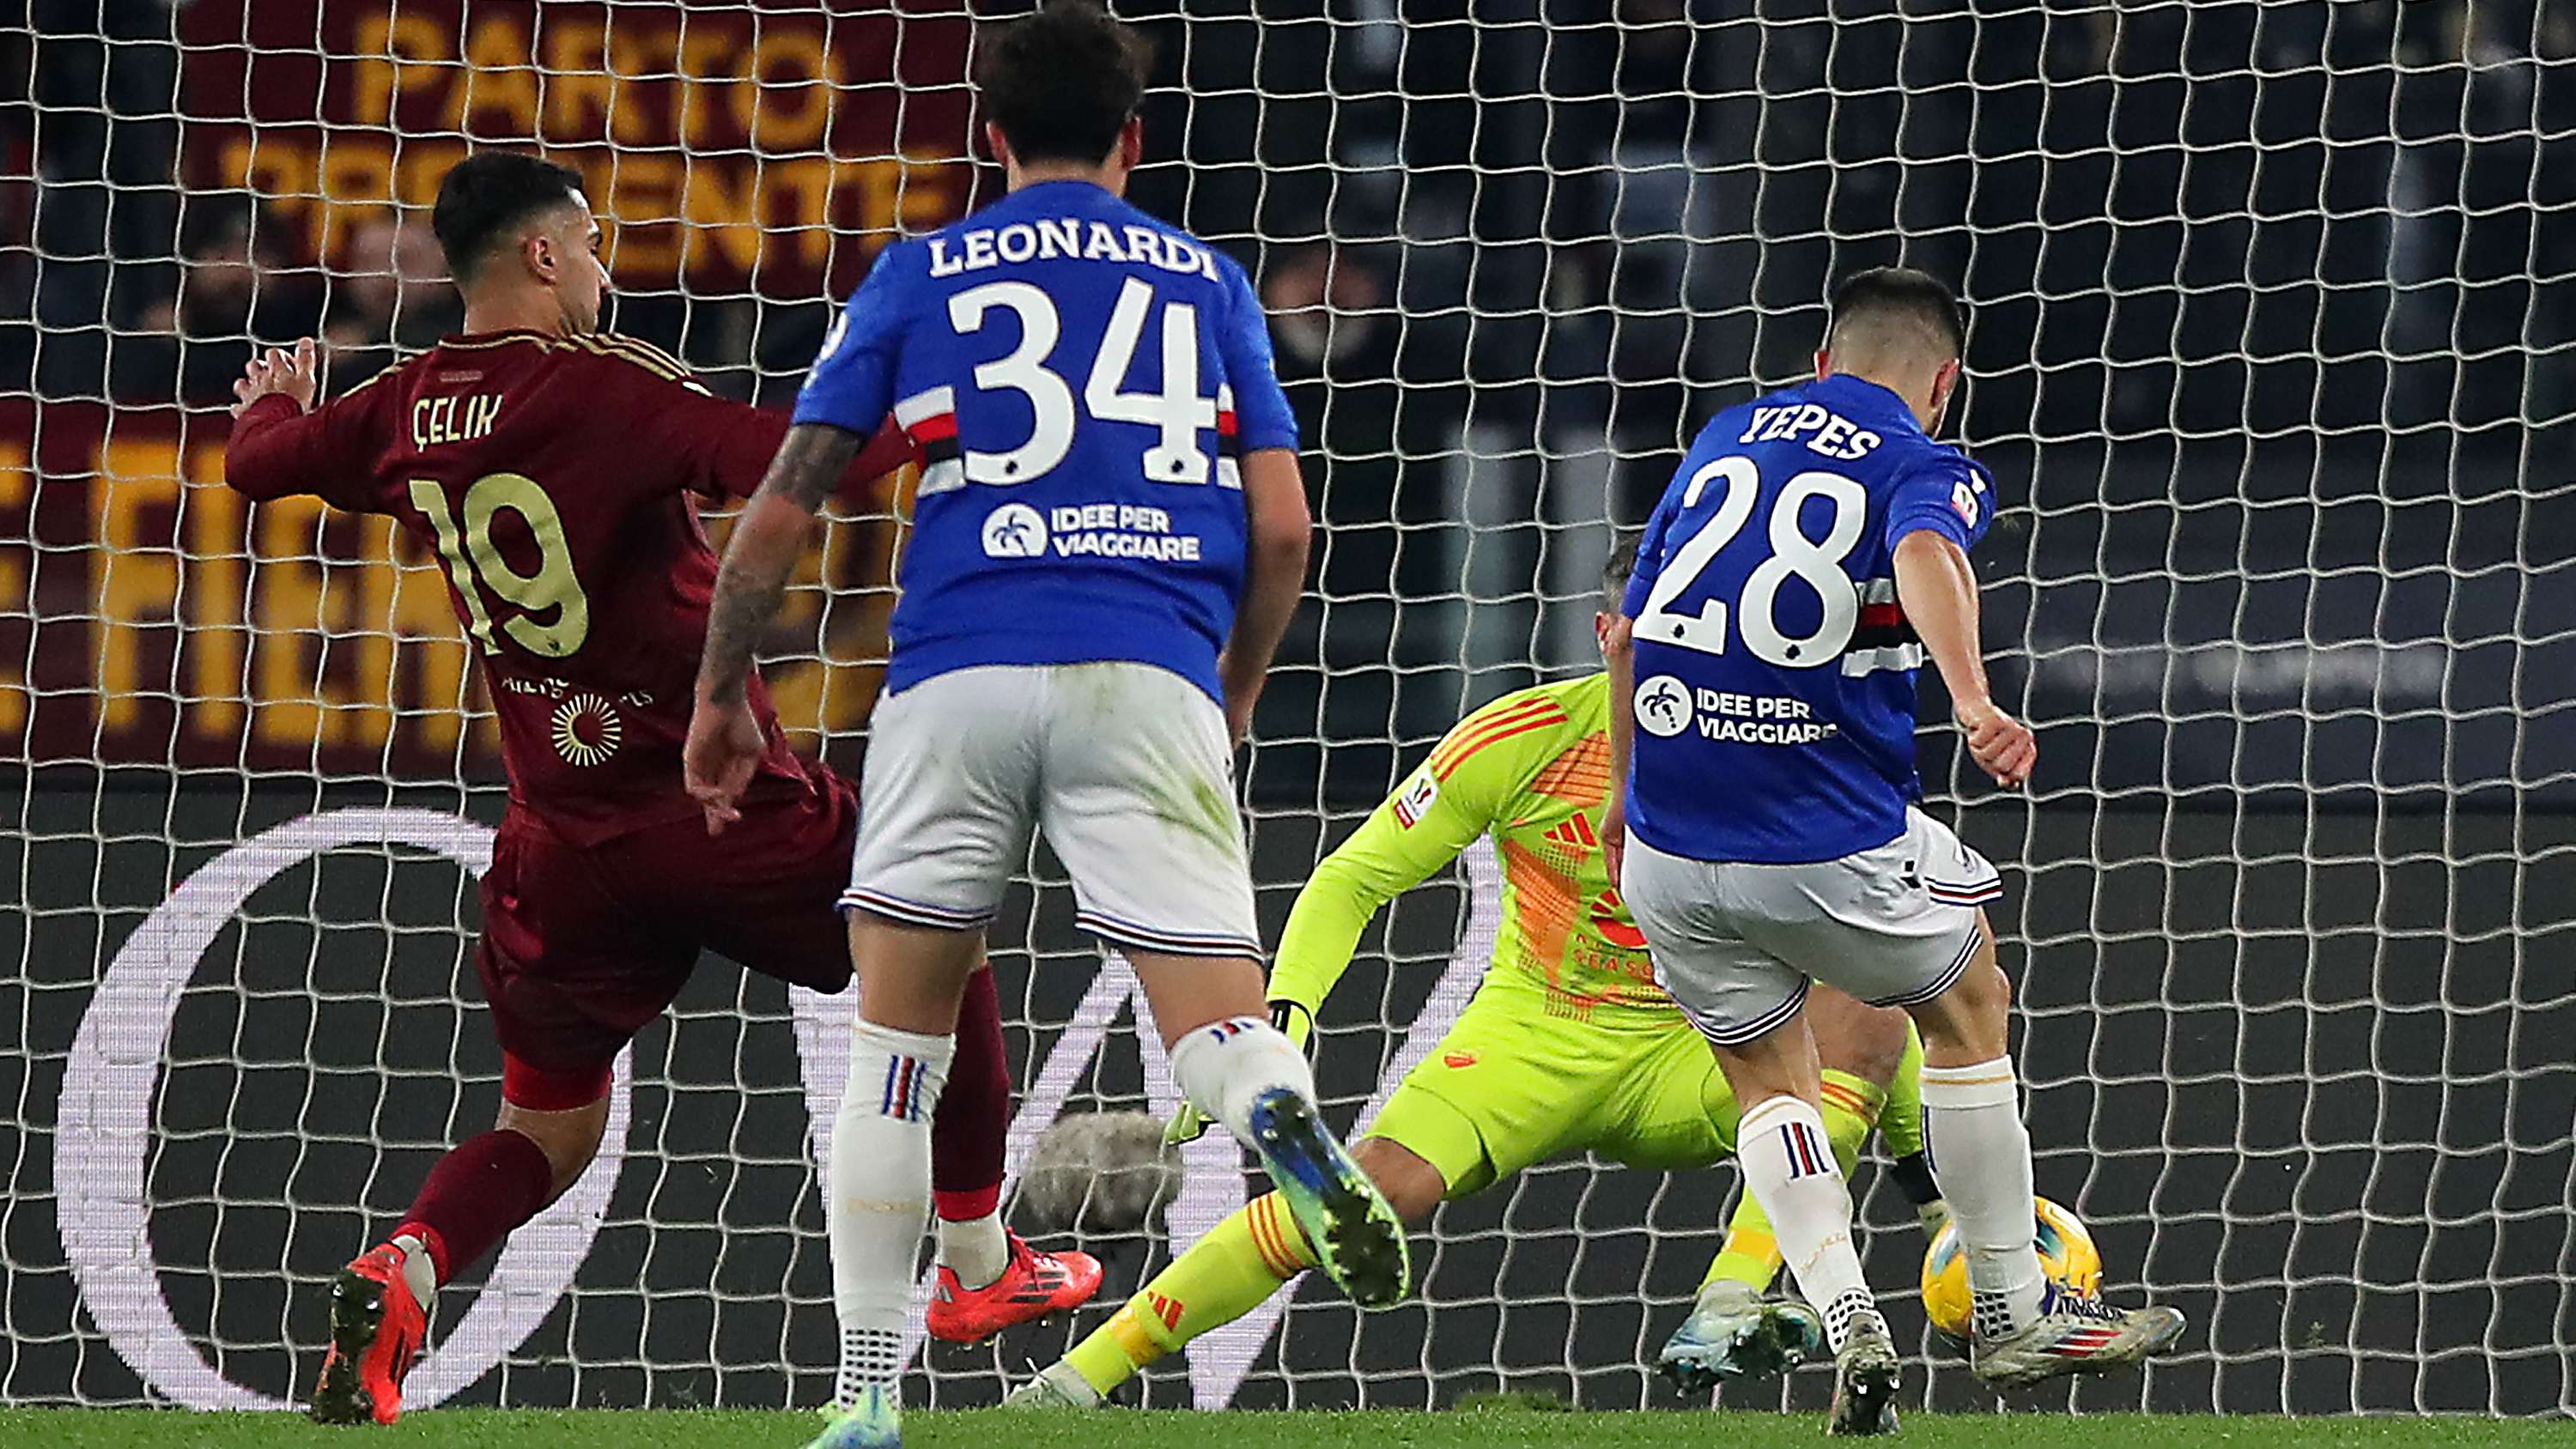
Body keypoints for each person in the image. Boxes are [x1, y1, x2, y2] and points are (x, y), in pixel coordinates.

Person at [222, 150, 1097, 1428]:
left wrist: (274, 401)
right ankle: (976, 1263)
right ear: (538, 256)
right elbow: (798, 467)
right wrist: (954, 405)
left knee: (549, 1130)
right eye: (587, 247)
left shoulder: (401, 405)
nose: (599, 270)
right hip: (715, 801)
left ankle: (403, 1265)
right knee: (945, 934)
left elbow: (258, 466)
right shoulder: (602, 389)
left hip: (555, 840)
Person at [684, 6, 1404, 1446]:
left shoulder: (920, 271)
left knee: (897, 1054)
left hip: (954, 671)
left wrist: (719, 692)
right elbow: (1282, 526)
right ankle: (1267, 1096)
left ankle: (866, 1400)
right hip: (1146, 665)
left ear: (992, 139)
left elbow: (782, 506)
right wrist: (1238, 685)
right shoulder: (1205, 282)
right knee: (1216, 1023)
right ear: (1134, 139)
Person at [1011, 547, 1948, 1410]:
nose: (1667, 661)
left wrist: (1926, 1186)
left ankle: (1729, 1297)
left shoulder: (1778, 752)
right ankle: (1073, 1382)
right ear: (1604, 633)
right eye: (1645, 637)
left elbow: (1880, 970)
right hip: (1534, 1033)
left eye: (1685, 635)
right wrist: (1283, 1014)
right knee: (1372, 1198)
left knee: (1861, 995)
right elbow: (1352, 876)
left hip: (1698, 1050)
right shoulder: (1524, 738)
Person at [1605, 266, 2185, 1434]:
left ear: (1822, 361)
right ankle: (2016, 1312)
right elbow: (1927, 554)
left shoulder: (1724, 434)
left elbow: (1628, 617)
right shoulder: (1924, 462)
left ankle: (1841, 1310)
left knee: (1772, 1079)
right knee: (1970, 997)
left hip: (1664, 841)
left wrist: (1625, 795)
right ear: (1944, 384)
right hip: (1813, 829)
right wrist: (1973, 701)